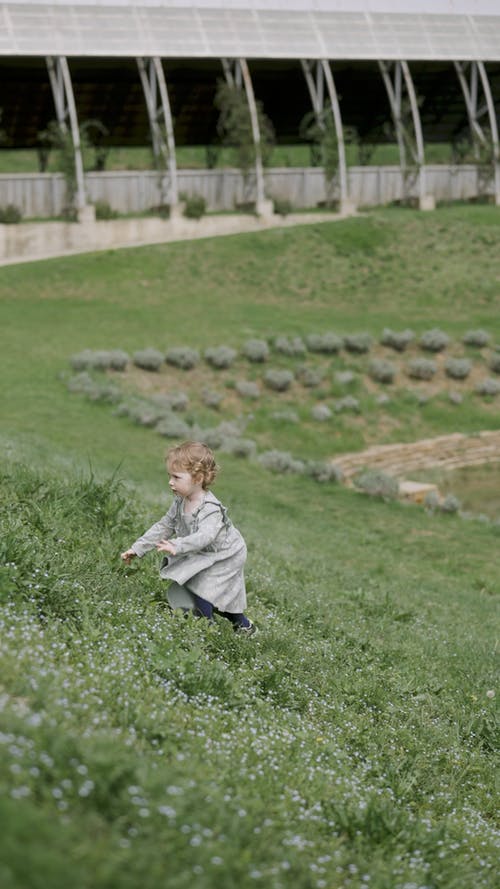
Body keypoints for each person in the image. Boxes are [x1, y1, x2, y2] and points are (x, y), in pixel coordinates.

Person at [121, 441, 256, 635]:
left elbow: (205, 537)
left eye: (176, 477)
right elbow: (165, 525)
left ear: (198, 478)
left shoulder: (209, 508)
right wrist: (138, 548)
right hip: (204, 552)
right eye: (170, 476)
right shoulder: (180, 502)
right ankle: (243, 626)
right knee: (215, 594)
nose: (170, 482)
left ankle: (205, 629)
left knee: (203, 588)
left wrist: (178, 545)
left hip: (227, 554)